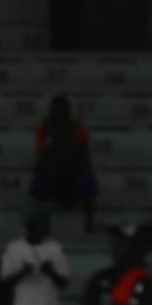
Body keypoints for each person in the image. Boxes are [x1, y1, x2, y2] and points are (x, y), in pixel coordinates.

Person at [30, 95, 97, 232]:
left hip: (73, 171)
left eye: (61, 110)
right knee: (36, 187)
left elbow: (84, 154)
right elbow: (40, 155)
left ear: (67, 112)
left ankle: (89, 222)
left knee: (88, 183)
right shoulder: (44, 129)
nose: (58, 114)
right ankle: (41, 226)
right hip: (52, 172)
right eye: (55, 110)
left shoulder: (77, 128)